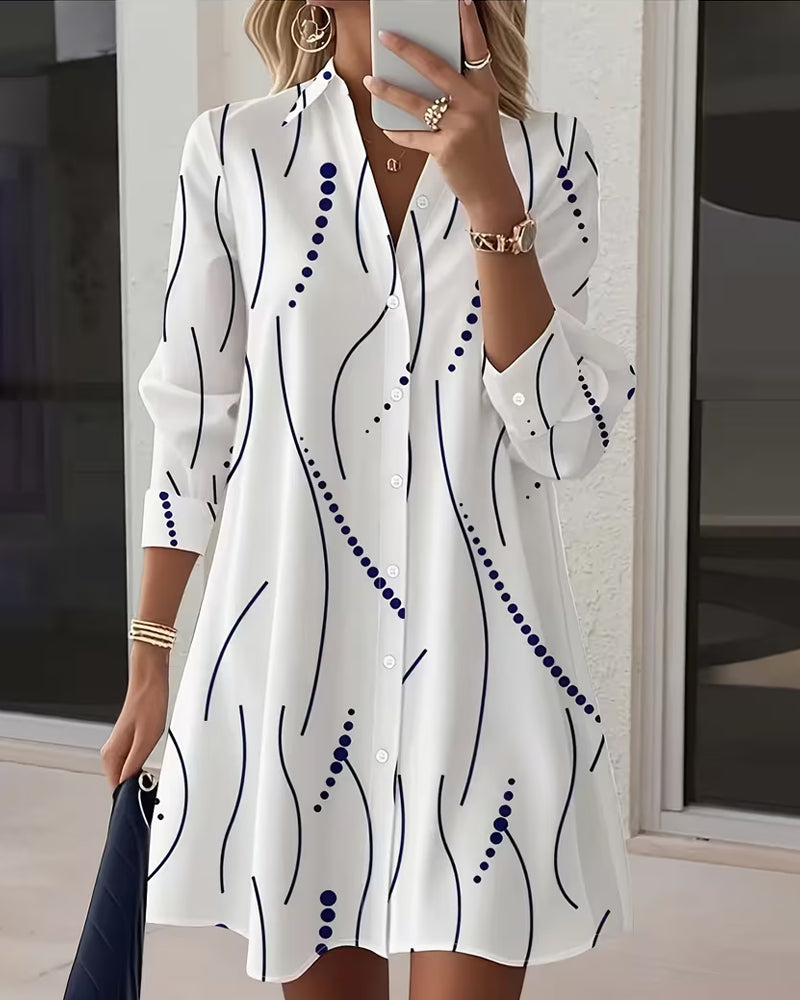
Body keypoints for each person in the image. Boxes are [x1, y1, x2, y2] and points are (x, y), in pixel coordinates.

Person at [101, 1, 636, 997]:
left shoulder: (549, 155)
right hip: (297, 665)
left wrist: (490, 200)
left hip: (482, 671)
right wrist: (150, 658)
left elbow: (561, 437)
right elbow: (192, 421)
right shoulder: (235, 151)